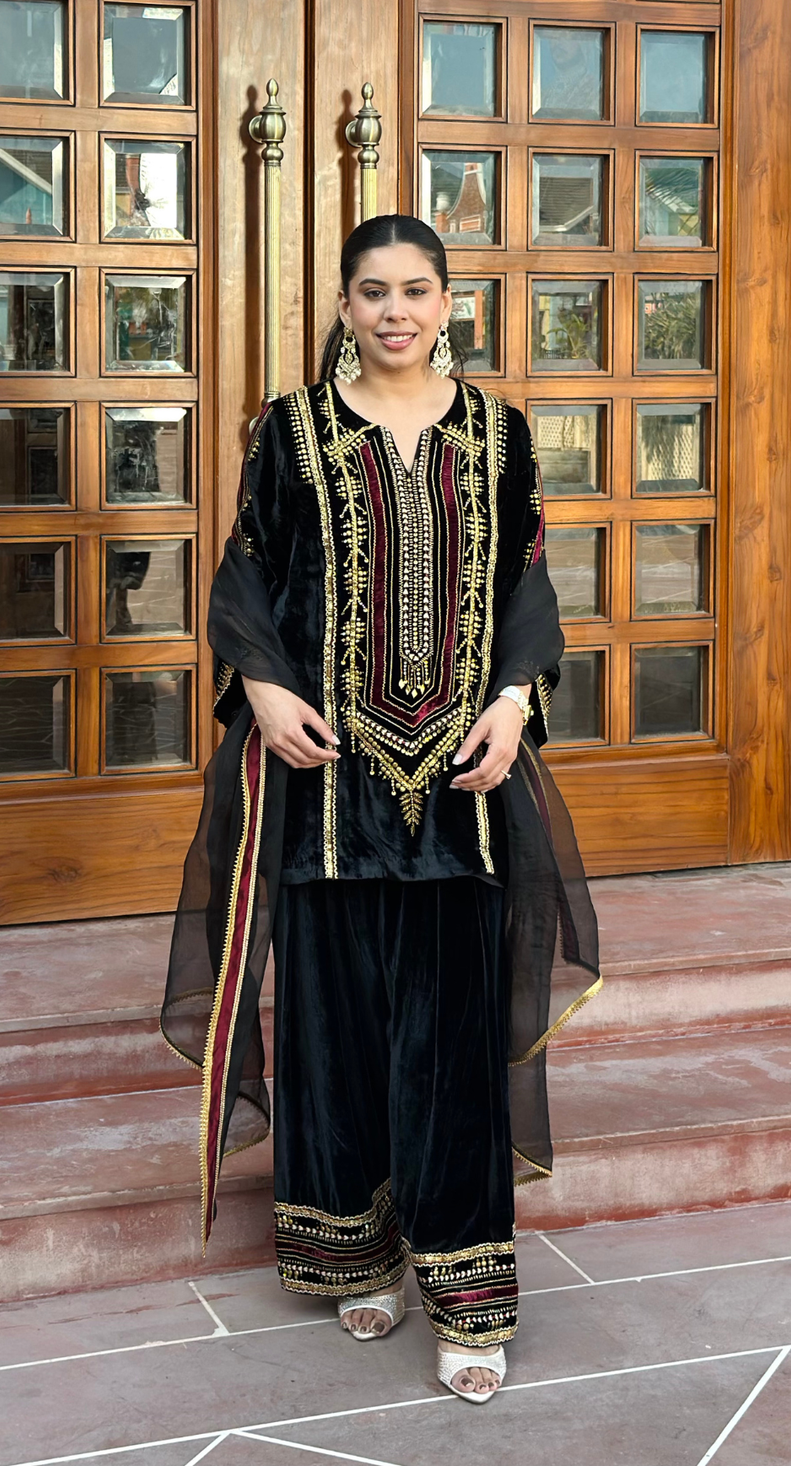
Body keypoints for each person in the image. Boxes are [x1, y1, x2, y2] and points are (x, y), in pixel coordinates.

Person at [162, 214, 600, 1404]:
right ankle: (352, 1245)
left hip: (462, 781)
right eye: (371, 292)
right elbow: (246, 572)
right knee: (335, 1024)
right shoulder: (291, 433)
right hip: (325, 781)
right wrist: (260, 684)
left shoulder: (499, 434)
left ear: (448, 301)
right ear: (345, 307)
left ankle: (467, 1295)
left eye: (415, 290)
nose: (394, 311)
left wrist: (514, 701)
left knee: (453, 1038)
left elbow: (528, 580)